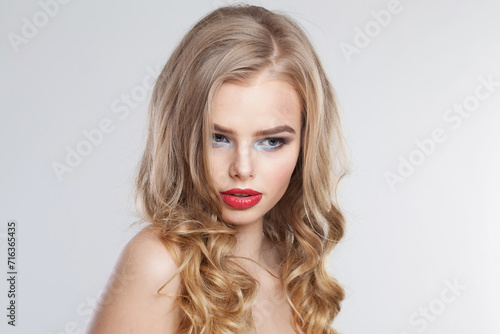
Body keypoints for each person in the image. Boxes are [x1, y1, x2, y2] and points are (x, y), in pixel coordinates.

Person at [86, 4, 350, 334]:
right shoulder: (160, 265)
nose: (242, 168)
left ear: (305, 145)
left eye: (271, 142)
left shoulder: (292, 268)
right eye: (218, 138)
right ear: (181, 134)